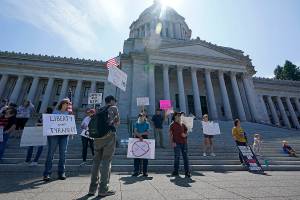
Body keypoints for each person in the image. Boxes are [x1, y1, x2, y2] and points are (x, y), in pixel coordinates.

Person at [88, 95, 120, 198]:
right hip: (108, 136)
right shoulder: (113, 108)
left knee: (96, 162)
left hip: (97, 138)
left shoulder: (99, 109)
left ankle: (92, 189)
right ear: (111, 101)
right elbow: (117, 123)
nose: (116, 103)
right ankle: (103, 189)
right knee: (106, 161)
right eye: (115, 101)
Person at [43, 99, 71, 181]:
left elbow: (69, 124)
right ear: (62, 104)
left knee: (63, 154)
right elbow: (50, 123)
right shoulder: (55, 112)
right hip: (54, 135)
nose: (67, 105)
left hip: (64, 135)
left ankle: (61, 172)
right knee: (51, 153)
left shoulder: (68, 113)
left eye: (68, 104)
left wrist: (71, 131)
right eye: (66, 103)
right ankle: (47, 173)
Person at [169, 111, 191, 178]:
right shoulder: (172, 125)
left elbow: (187, 132)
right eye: (178, 115)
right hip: (176, 143)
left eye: (180, 116)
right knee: (177, 157)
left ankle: (187, 172)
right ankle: (176, 171)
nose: (179, 117)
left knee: (185, 158)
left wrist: (185, 135)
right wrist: (172, 142)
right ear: (175, 116)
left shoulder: (183, 124)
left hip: (184, 143)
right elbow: (170, 135)